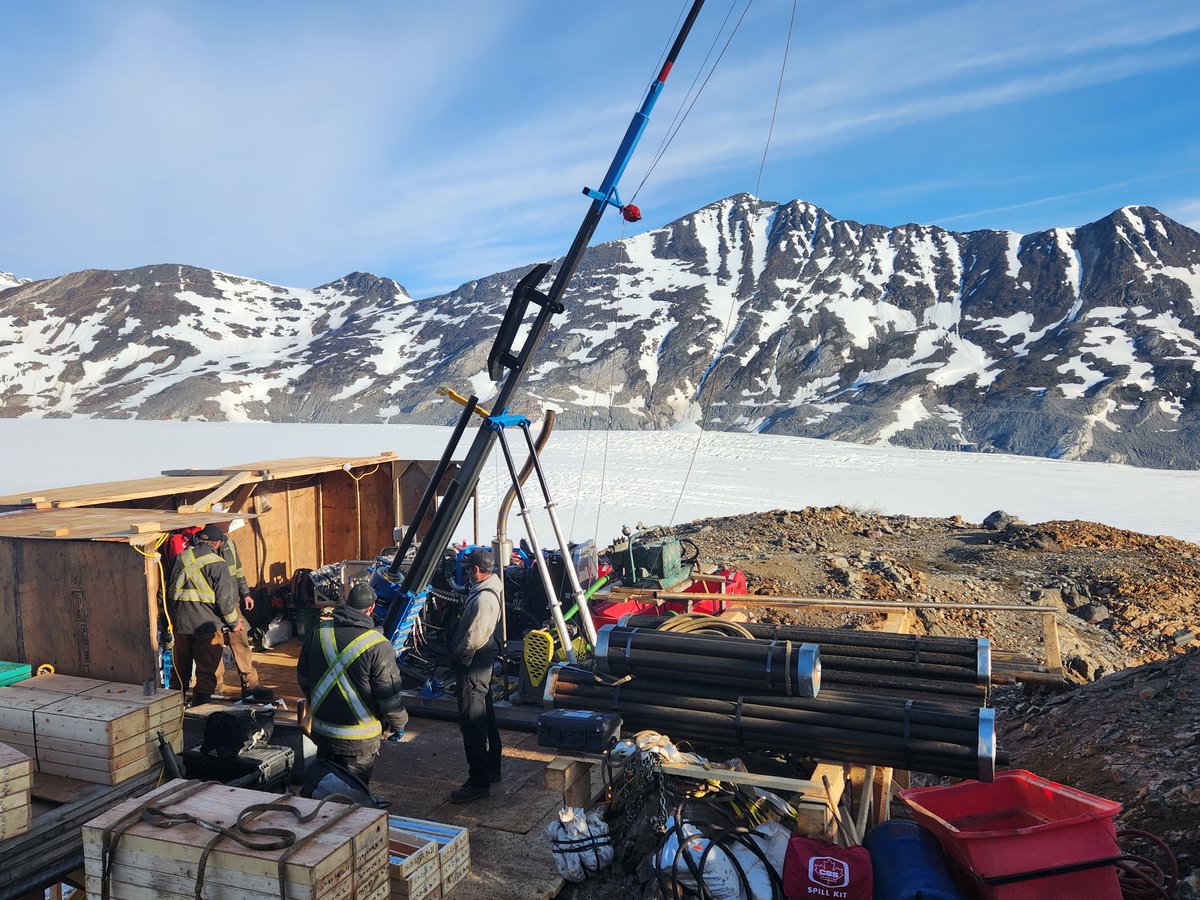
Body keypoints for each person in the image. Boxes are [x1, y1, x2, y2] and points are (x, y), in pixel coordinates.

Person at [297, 583, 408, 785]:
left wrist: (322, 705)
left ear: (347, 604)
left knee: (324, 791)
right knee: (353, 799)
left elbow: (304, 677)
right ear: (371, 608)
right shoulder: (378, 644)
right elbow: (388, 696)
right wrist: (399, 723)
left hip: (323, 735)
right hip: (359, 744)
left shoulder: (318, 632)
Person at [447, 547, 504, 804]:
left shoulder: (484, 599)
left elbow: (473, 638)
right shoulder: (491, 586)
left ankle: (478, 783)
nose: (468, 572)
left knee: (473, 721)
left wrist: (456, 654)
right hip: (483, 660)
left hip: (473, 663)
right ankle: (492, 770)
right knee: (486, 715)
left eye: (470, 568)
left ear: (477, 570)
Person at [165, 524, 242, 706]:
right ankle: (199, 714)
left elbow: (164, 592)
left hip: (181, 626)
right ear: (217, 544)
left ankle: (172, 714)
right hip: (207, 628)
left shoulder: (179, 558)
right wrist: (234, 623)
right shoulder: (219, 564)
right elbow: (224, 602)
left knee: (179, 674)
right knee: (206, 675)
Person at [212, 523, 274, 703]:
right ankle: (215, 687)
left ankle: (251, 686)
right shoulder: (201, 550)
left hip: (232, 602)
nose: (228, 529)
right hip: (211, 607)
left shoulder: (229, 544)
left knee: (241, 643)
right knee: (214, 647)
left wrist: (245, 593)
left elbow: (238, 571)